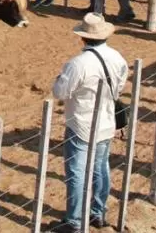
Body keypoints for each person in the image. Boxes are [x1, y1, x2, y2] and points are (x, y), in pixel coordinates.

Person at [51, 14, 129, 232]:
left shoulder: (77, 64)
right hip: (106, 121)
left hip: (80, 123)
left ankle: (74, 221)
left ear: (82, 37)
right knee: (100, 167)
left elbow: (60, 92)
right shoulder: (117, 58)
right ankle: (98, 212)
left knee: (77, 171)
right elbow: (119, 87)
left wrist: (58, 80)